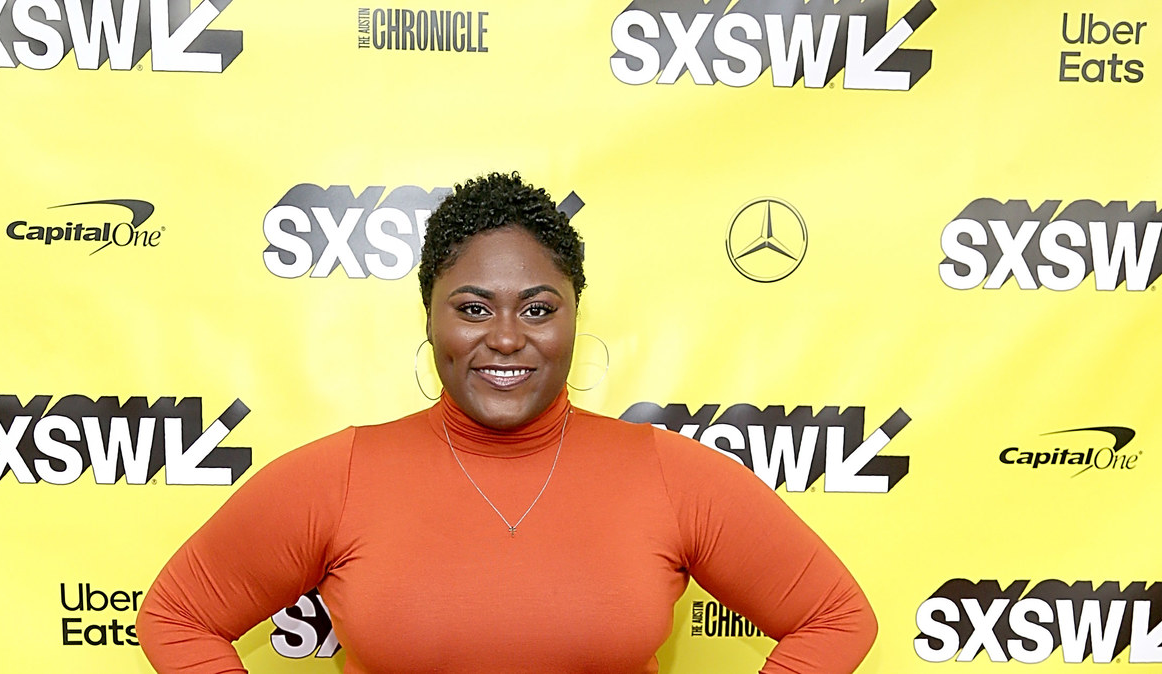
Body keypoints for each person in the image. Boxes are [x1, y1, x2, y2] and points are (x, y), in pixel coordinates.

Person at [138, 172, 878, 673]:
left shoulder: (665, 473)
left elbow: (836, 616)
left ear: (574, 316)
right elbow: (176, 616)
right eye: (472, 307)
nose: (505, 337)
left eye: (537, 307)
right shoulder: (343, 474)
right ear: (429, 316)